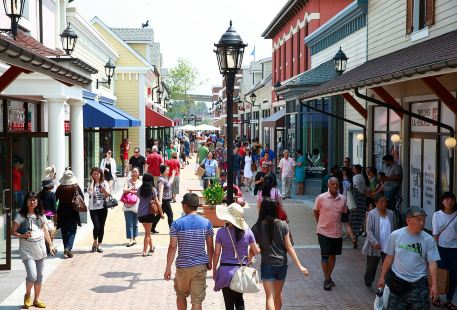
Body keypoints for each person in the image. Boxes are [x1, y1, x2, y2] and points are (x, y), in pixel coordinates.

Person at [378, 207, 440, 309]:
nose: (422, 223)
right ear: (408, 220)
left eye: (423, 220)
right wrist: (382, 277)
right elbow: (389, 258)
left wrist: (434, 285)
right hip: (397, 284)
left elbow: (432, 263)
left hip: (419, 285)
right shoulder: (395, 235)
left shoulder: (428, 240)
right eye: (418, 219)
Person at [252, 198, 309, 310]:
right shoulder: (283, 225)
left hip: (267, 264)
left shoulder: (257, 227)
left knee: (269, 296)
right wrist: (299, 266)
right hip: (281, 263)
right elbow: (289, 247)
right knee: (278, 293)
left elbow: (252, 249)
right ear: (275, 209)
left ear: (262, 210)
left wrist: (247, 261)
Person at [164, 193, 214, 310]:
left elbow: (172, 247)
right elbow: (210, 246)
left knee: (181, 295)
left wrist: (168, 267)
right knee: (197, 301)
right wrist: (210, 261)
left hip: (182, 266)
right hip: (200, 266)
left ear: (185, 205)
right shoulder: (207, 223)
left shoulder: (176, 224)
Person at [11, 192, 56, 309]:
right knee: (32, 276)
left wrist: (50, 245)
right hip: (27, 250)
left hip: (40, 248)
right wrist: (23, 235)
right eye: (30, 200)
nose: (32, 202)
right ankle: (27, 295)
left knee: (40, 276)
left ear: (37, 202)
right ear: (26, 201)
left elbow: (45, 229)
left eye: (34, 200)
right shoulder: (20, 215)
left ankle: (36, 299)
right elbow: (13, 231)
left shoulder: (40, 214)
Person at [213, 203, 260, 310]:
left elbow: (216, 253)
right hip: (240, 272)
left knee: (228, 305)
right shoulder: (248, 231)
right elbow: (255, 251)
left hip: (225, 271)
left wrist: (215, 269)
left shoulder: (221, 232)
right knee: (239, 300)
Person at [314, 177, 355, 291]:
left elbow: (345, 219)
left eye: (337, 184)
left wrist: (351, 235)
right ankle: (327, 280)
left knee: (333, 255)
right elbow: (316, 212)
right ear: (328, 185)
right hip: (323, 232)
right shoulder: (321, 198)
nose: (335, 186)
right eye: (333, 184)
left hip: (337, 233)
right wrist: (320, 224)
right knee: (325, 255)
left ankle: (329, 276)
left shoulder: (343, 199)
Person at [361, 195, 395, 291]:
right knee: (371, 266)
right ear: (376, 203)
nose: (384, 204)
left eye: (385, 202)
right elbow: (369, 229)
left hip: (388, 246)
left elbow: (394, 228)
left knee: (388, 267)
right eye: (381, 202)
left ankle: (386, 285)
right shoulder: (372, 214)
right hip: (375, 246)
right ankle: (368, 282)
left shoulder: (391, 213)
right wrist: (374, 242)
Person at [432, 192, 457, 308]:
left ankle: (449, 299)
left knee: (454, 275)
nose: (449, 202)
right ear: (442, 202)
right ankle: (436, 296)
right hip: (441, 248)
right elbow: (435, 235)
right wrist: (433, 252)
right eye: (446, 199)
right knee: (441, 274)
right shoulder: (437, 215)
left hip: (455, 249)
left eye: (452, 199)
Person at [55, 169, 84, 258]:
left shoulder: (60, 187)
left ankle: (65, 248)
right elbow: (82, 197)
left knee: (64, 229)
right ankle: (68, 247)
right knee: (72, 229)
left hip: (62, 210)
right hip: (73, 210)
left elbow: (55, 199)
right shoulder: (75, 186)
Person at [137, 173, 163, 256]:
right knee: (147, 234)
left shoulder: (139, 189)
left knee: (147, 231)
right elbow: (158, 203)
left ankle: (151, 247)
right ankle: (144, 251)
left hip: (140, 213)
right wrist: (161, 213)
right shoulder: (153, 189)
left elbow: (139, 197)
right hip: (149, 213)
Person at [87, 167, 110, 253]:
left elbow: (108, 194)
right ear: (92, 175)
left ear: (101, 174)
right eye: (94, 174)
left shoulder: (105, 183)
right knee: (96, 226)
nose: (96, 175)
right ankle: (95, 241)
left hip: (103, 208)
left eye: (98, 174)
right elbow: (90, 193)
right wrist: (92, 184)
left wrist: (103, 191)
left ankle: (99, 244)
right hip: (93, 208)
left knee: (102, 226)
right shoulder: (91, 183)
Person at [122, 167, 142, 247]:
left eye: (136, 172)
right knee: (129, 223)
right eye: (133, 172)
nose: (134, 173)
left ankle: (134, 238)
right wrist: (132, 188)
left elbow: (141, 192)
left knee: (135, 223)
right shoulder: (127, 181)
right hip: (128, 204)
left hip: (137, 204)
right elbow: (124, 190)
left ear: (138, 174)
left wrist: (131, 190)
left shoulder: (140, 182)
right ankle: (130, 239)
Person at [154, 164, 176, 232]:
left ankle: (152, 227)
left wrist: (173, 174)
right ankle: (171, 229)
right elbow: (160, 191)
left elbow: (170, 182)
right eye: (167, 170)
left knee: (159, 215)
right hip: (164, 200)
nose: (168, 171)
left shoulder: (165, 178)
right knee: (170, 214)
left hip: (165, 200)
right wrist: (160, 201)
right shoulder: (161, 180)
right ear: (163, 171)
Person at [351, 164, 369, 242]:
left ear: (357, 170)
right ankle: (357, 233)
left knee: (354, 218)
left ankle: (354, 235)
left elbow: (357, 188)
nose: (353, 170)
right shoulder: (364, 177)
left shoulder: (356, 177)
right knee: (360, 217)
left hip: (356, 199)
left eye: (354, 169)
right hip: (363, 200)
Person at [39, 179, 57, 254]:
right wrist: (55, 215)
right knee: (49, 231)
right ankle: (49, 246)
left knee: (42, 230)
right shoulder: (52, 194)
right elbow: (53, 207)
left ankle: (44, 246)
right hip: (49, 215)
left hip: (40, 215)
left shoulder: (39, 194)